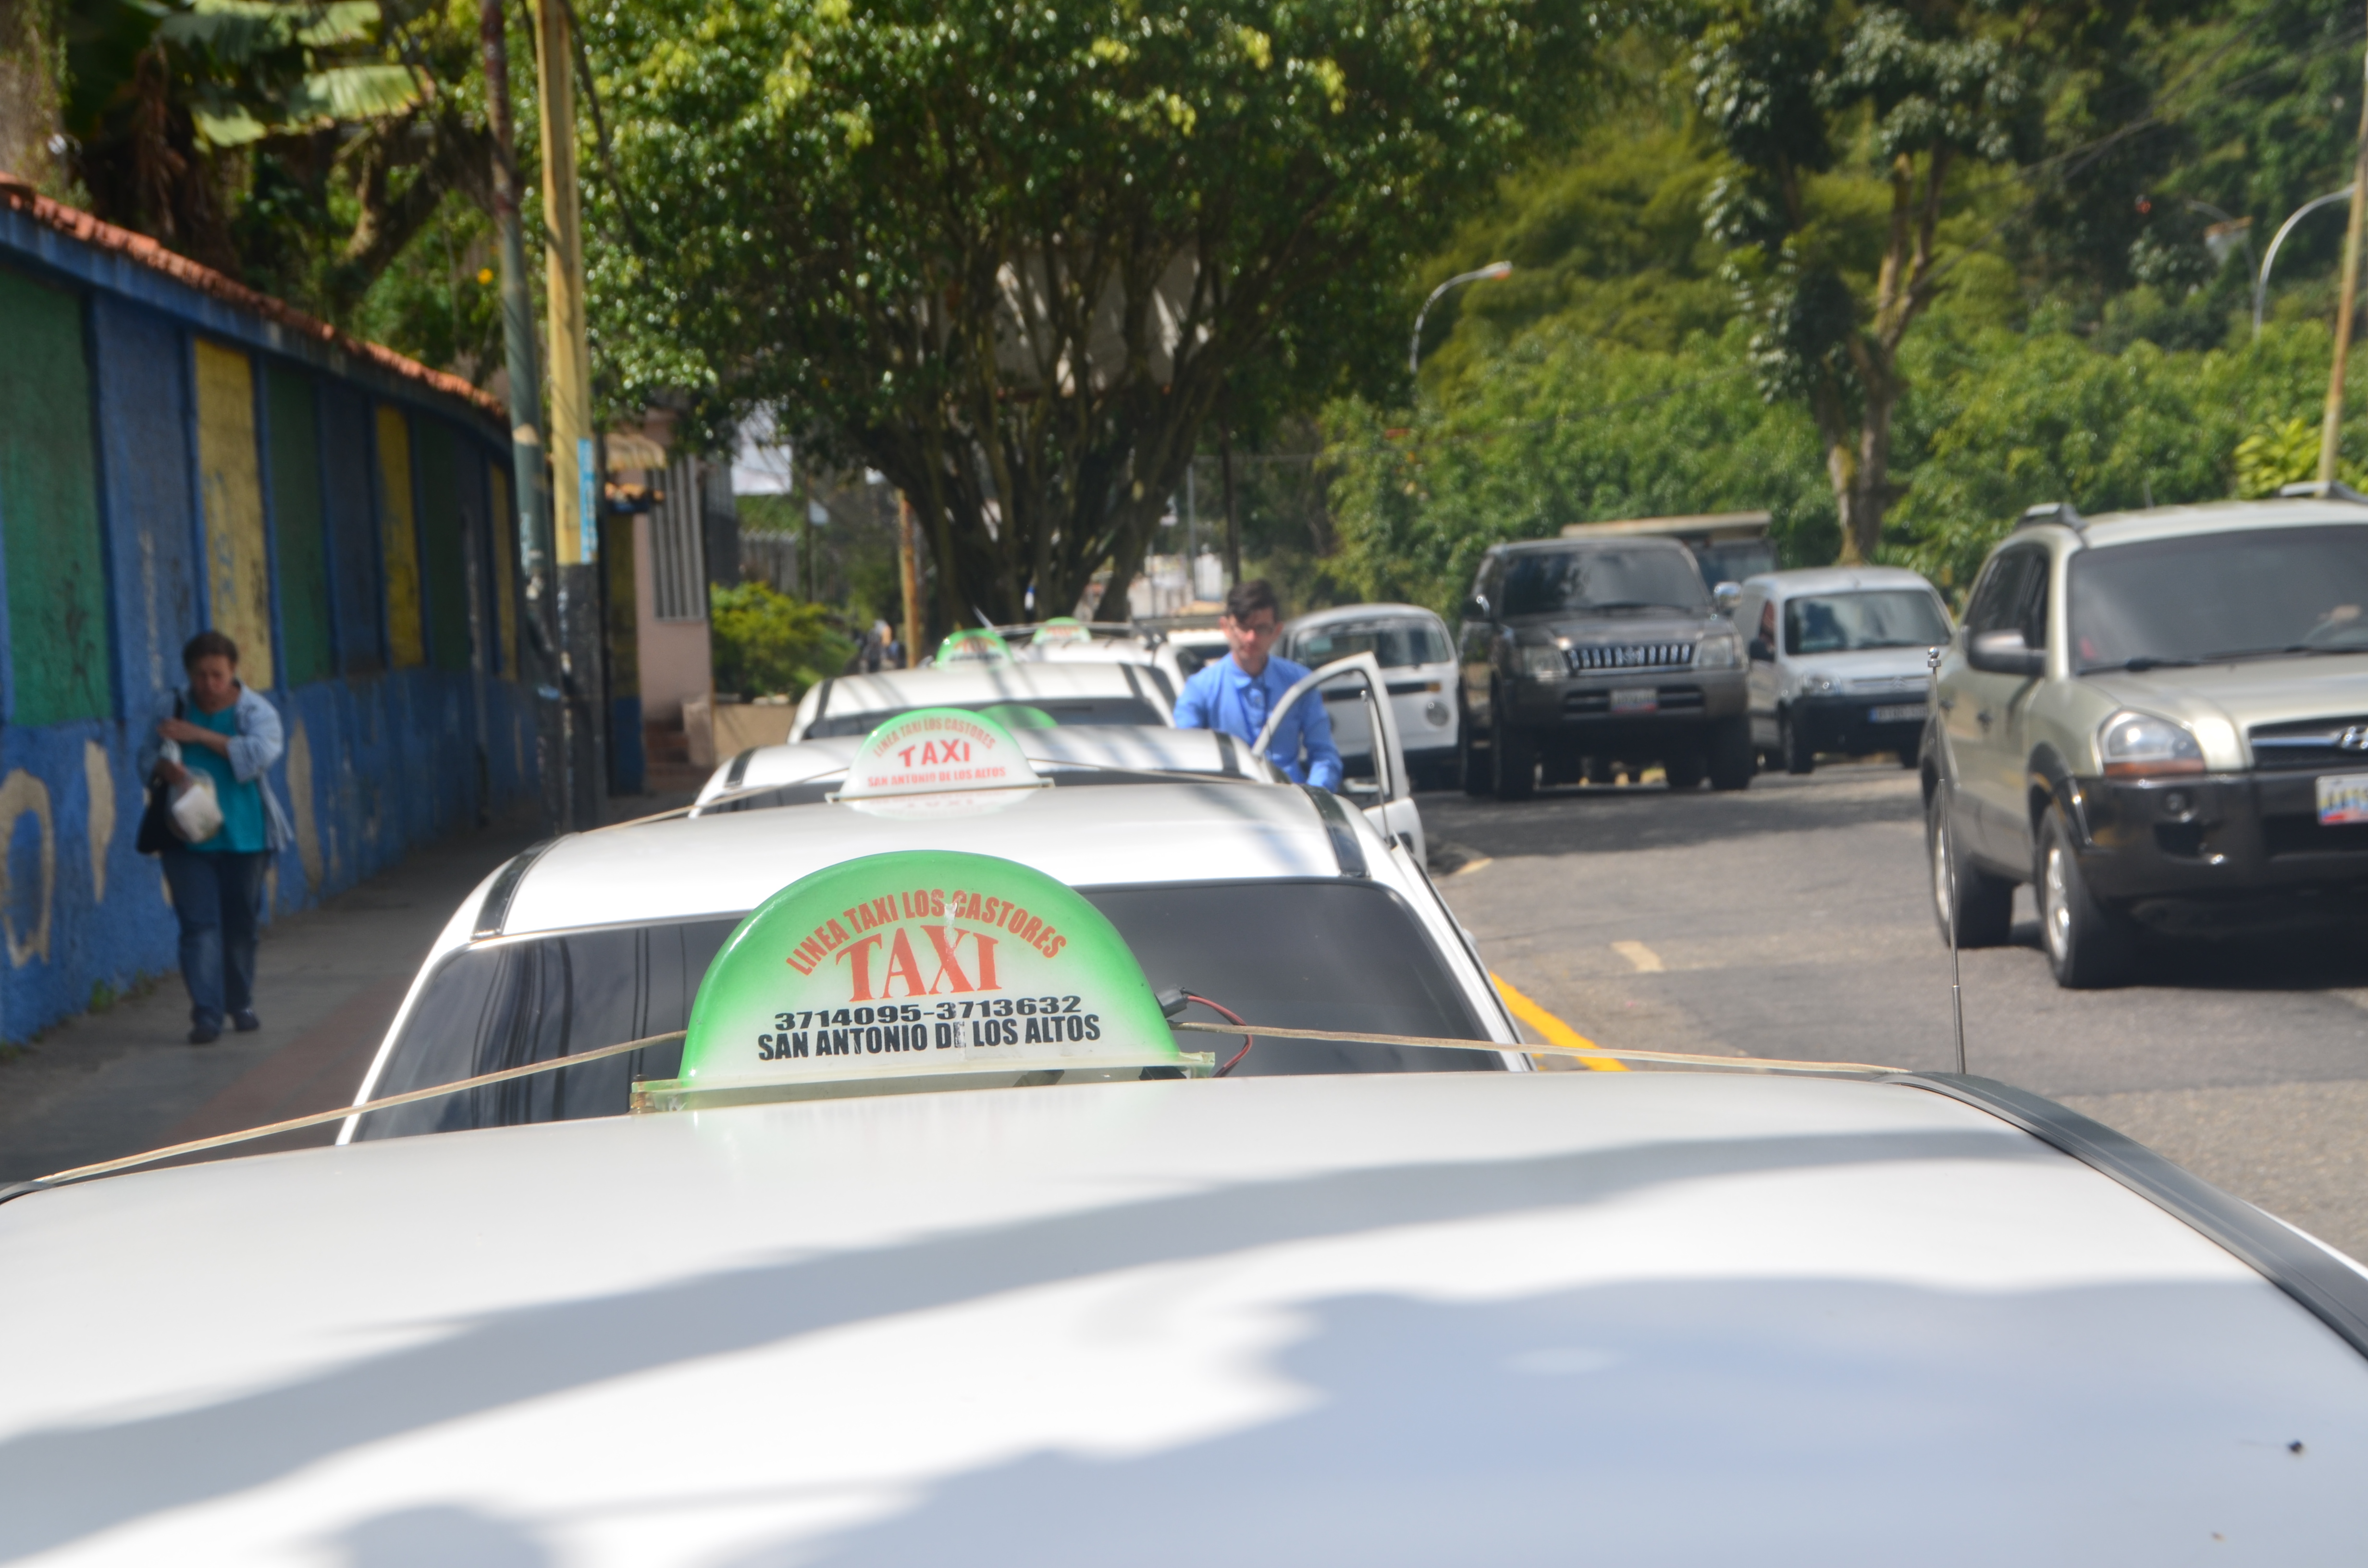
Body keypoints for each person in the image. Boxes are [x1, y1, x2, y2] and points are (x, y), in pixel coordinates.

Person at [138, 631, 294, 1045]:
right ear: (188, 674)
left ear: (233, 673)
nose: (209, 685)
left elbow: (262, 755)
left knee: (241, 924)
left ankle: (239, 1002)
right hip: (185, 837)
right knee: (199, 926)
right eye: (201, 675)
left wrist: (200, 737)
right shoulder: (170, 706)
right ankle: (206, 1015)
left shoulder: (256, 712)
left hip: (246, 836)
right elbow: (143, 758)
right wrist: (162, 768)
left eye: (218, 676)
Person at [1172, 580, 1344, 789]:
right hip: (1231, 806)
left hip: (1291, 805)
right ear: (1226, 627)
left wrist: (1315, 796)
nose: (1251, 638)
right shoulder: (1200, 689)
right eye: (1243, 628)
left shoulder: (1300, 684)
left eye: (1261, 629)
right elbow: (1185, 763)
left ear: (1277, 631)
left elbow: (1325, 756)